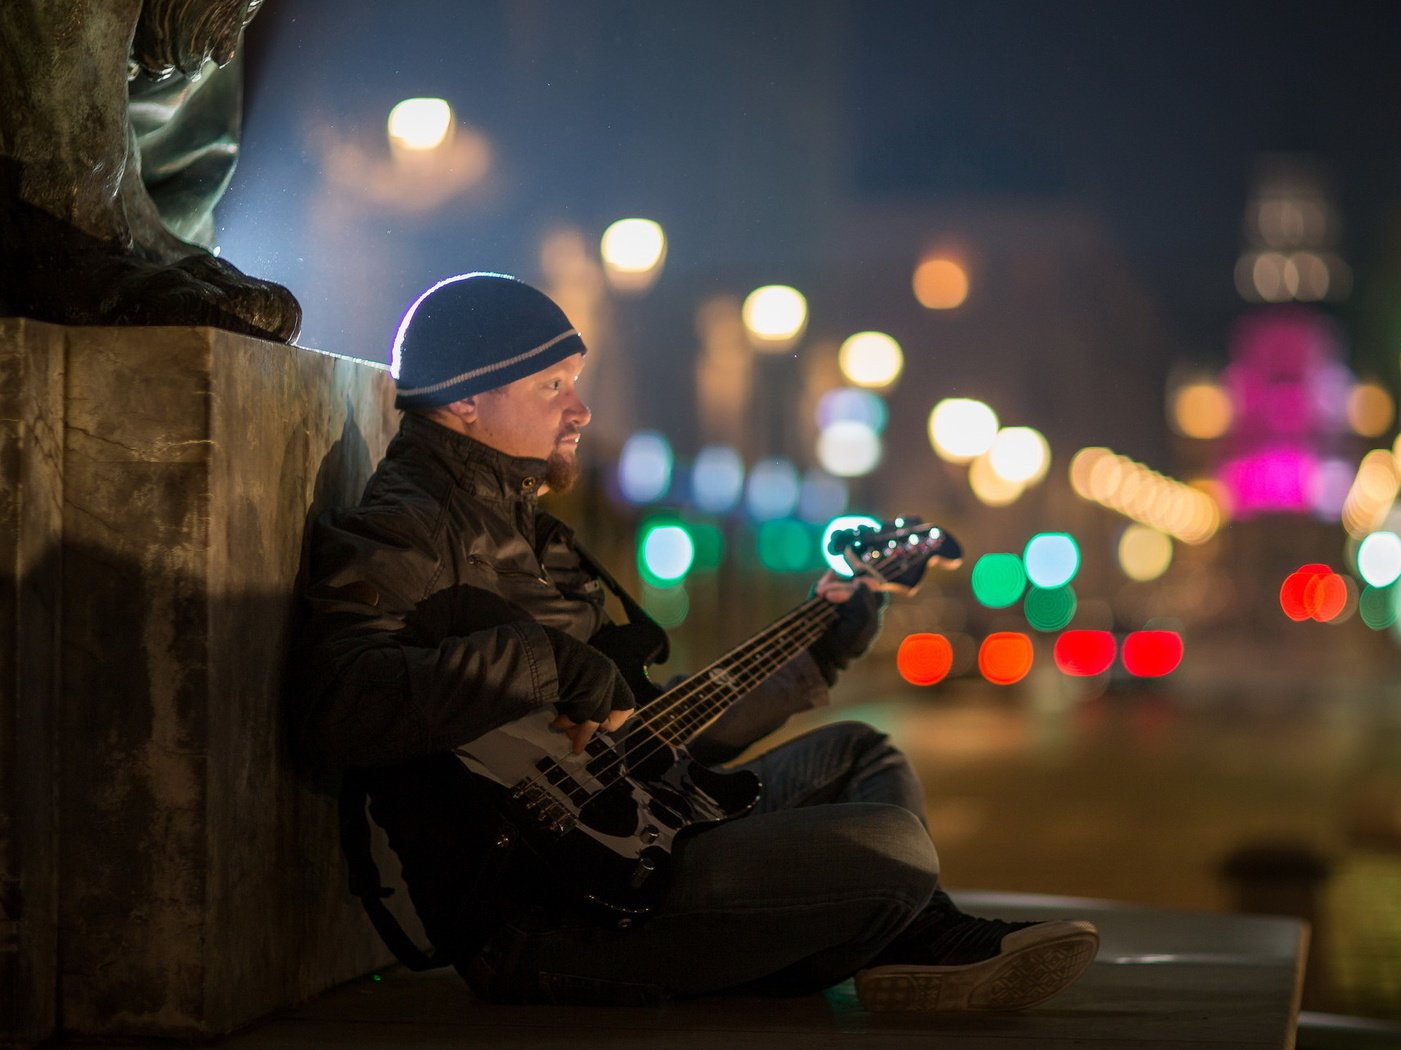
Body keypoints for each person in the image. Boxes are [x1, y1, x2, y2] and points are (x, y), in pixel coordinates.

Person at [291, 271, 1098, 1011]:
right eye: (552, 387)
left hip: (637, 848)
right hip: (551, 916)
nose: (580, 411)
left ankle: (911, 940)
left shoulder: (533, 533)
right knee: (887, 845)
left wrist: (825, 644)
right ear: (464, 402)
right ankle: (918, 939)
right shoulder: (407, 524)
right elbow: (340, 705)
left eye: (574, 383)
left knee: (858, 757)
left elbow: (647, 739)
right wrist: (549, 663)